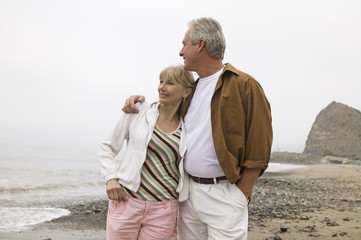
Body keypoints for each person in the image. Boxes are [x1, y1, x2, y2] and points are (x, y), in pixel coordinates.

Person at [122, 17, 273, 240]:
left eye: (184, 44)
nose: (181, 52)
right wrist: (138, 102)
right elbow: (166, 107)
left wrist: (242, 194)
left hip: (225, 194)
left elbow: (260, 144)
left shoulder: (244, 84)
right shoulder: (190, 90)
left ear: (200, 45)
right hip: (188, 193)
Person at [99, 65, 194, 240]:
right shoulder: (139, 110)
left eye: (170, 83)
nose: (162, 87)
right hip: (127, 201)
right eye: (161, 81)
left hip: (164, 209)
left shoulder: (189, 124)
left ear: (186, 92)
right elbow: (108, 146)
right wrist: (110, 178)